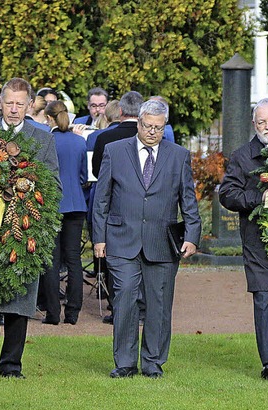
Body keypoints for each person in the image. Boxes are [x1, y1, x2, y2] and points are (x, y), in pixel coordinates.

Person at [93, 99, 201, 378]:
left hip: (162, 241)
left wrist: (192, 235)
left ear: (165, 127)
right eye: (148, 126)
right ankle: (125, 363)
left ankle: (152, 362)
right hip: (121, 238)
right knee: (125, 298)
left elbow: (188, 199)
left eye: (158, 127)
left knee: (159, 304)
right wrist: (99, 238)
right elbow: (101, 199)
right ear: (138, 123)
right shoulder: (115, 152)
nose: (153, 132)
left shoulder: (178, 156)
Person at [0, 77, 60, 381]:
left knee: (20, 301)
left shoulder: (43, 139)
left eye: (21, 103)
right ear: (0, 103)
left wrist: (29, 190)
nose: (15, 109)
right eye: (9, 103)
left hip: (25, 231)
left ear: (30, 104)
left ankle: (11, 366)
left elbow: (55, 187)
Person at [218, 98, 268, 380]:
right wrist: (259, 198)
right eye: (262, 122)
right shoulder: (242, 156)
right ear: (254, 125)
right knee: (264, 296)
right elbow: (227, 194)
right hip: (257, 241)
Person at [91, 91, 143, 324]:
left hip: (114, 206)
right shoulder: (153, 137)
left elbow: (96, 171)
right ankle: (141, 306)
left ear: (120, 112)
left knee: (116, 258)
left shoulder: (104, 138)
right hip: (143, 207)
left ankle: (117, 306)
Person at [39, 100, 88, 325]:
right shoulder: (79, 142)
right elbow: (83, 176)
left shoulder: (46, 141)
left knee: (51, 260)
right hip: (76, 205)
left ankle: (52, 312)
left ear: (49, 118)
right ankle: (73, 312)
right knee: (73, 259)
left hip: (52, 206)